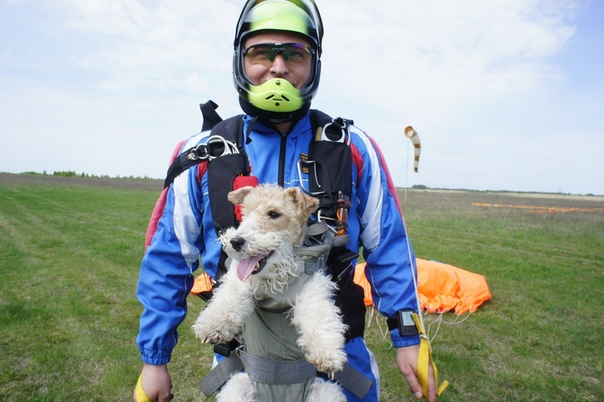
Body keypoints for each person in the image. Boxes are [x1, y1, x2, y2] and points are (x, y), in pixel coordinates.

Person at [134, 0, 438, 401]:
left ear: (313, 64)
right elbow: (170, 257)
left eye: (294, 54)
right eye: (261, 52)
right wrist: (155, 359)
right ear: (241, 61)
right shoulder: (202, 154)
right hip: (244, 368)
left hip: (338, 369)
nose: (278, 68)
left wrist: (407, 337)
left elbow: (390, 249)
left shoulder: (352, 149)